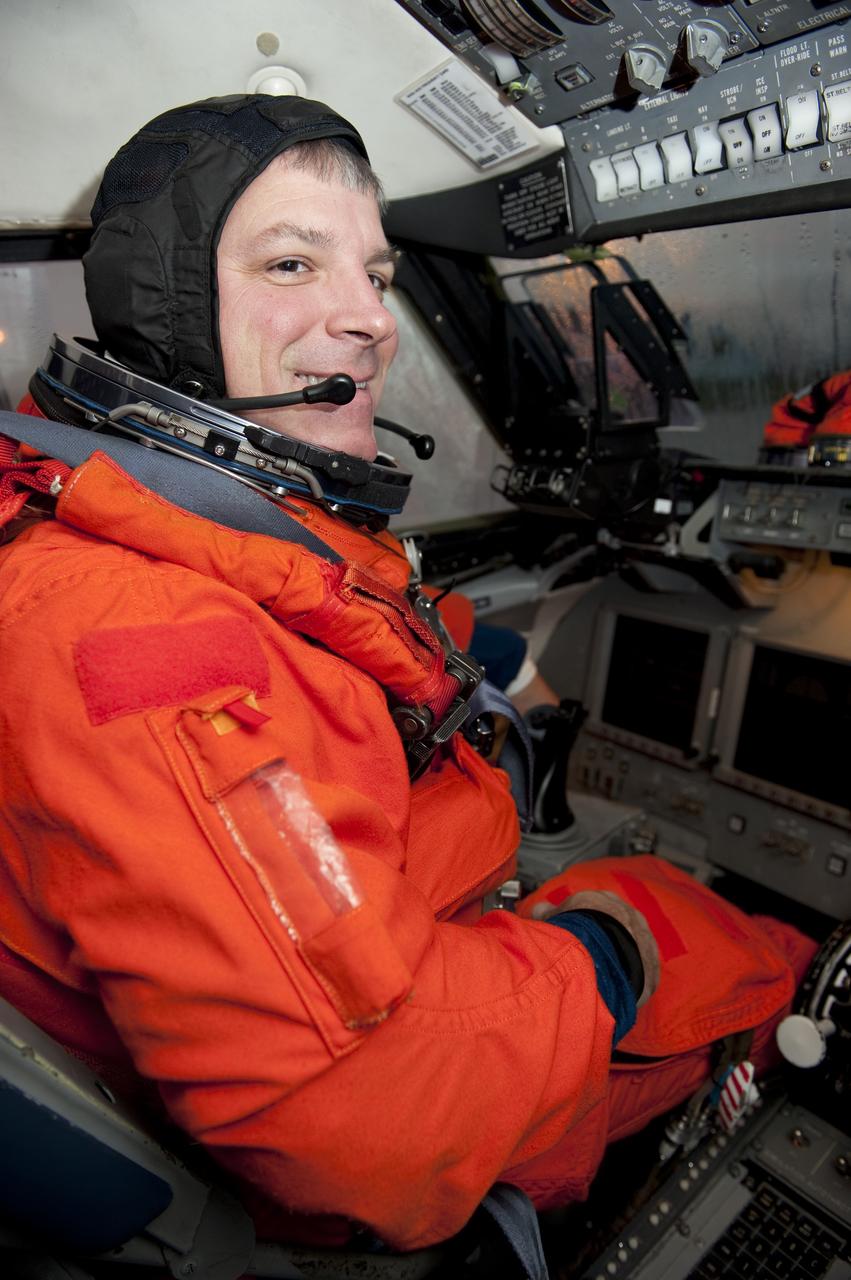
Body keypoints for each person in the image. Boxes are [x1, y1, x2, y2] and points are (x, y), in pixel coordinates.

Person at [0, 95, 816, 1252]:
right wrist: (608, 958)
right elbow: (355, 1108)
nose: (372, 321)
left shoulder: (136, 517)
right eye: (292, 263)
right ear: (169, 309)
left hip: (393, 920)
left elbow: (332, 630)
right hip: (403, 1099)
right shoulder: (145, 644)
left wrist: (491, 668)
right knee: (714, 941)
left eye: (376, 275)